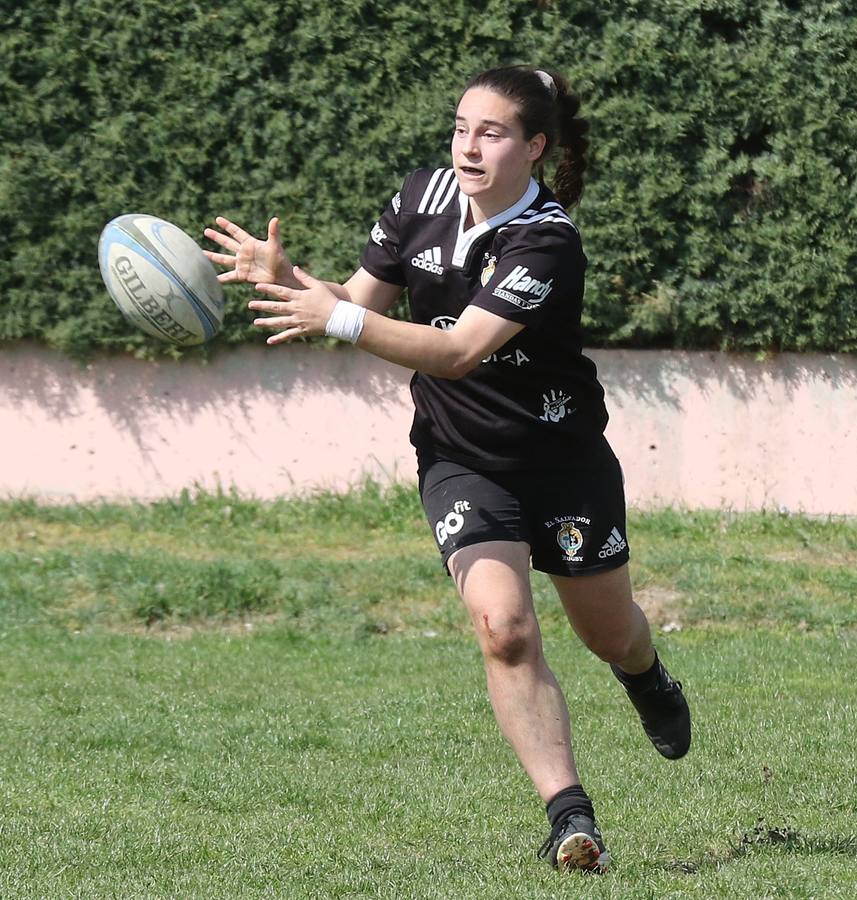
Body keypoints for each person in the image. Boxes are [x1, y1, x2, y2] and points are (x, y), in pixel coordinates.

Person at [203, 65, 691, 872]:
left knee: (609, 631)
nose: (469, 146)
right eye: (461, 127)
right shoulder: (419, 197)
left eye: (492, 133)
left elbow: (459, 350)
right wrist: (286, 279)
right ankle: (571, 818)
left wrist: (338, 316)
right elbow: (362, 297)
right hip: (461, 457)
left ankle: (648, 678)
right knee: (503, 628)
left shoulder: (546, 239)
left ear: (534, 148)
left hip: (562, 462)